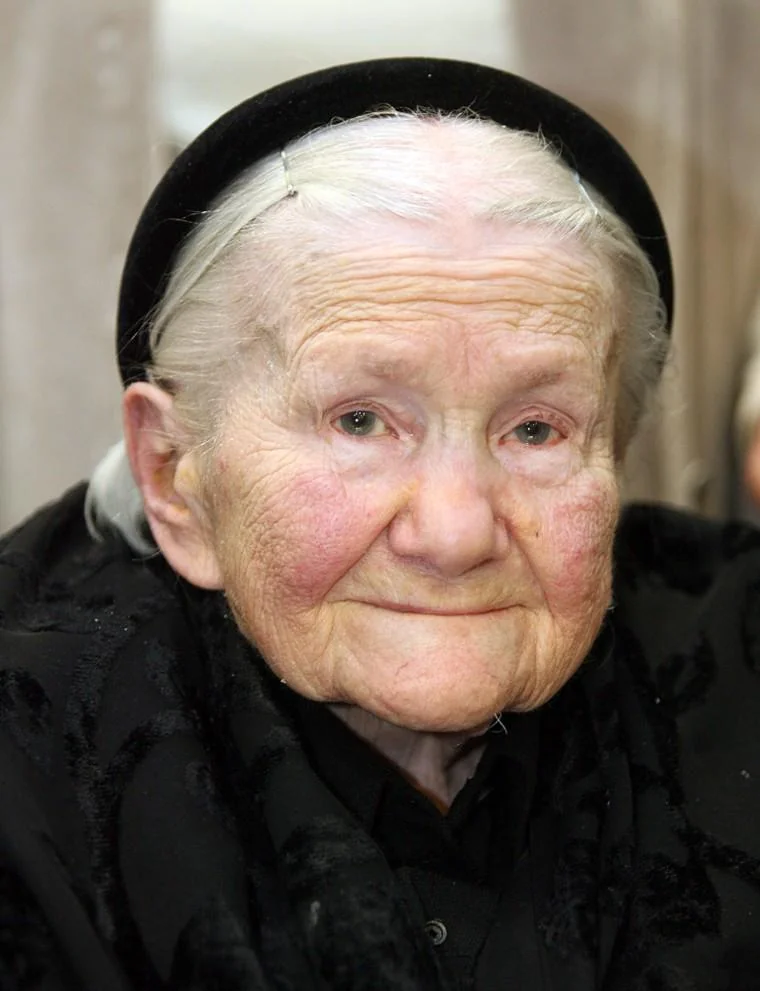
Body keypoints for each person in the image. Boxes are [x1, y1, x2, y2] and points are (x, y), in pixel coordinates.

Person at [1, 57, 759, 991]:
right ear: (175, 475)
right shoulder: (28, 766)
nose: (454, 533)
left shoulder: (735, 650)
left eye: (535, 428)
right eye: (360, 420)